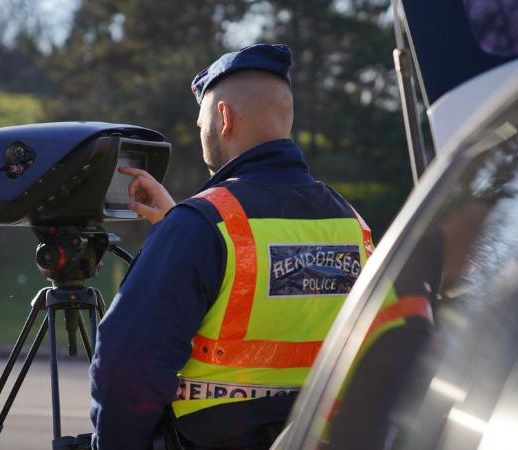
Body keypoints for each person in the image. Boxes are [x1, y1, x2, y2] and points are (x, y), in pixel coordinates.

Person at [89, 43, 374, 450]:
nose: (199, 130)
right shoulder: (352, 223)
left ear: (223, 118)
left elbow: (127, 369)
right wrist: (181, 225)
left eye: (201, 119)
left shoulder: (202, 228)